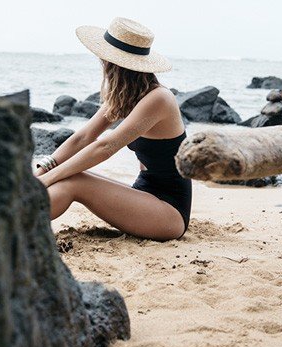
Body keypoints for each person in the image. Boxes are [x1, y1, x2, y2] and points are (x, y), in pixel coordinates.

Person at [34, 17, 192, 241]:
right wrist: (41, 172)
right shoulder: (126, 95)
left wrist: (48, 180)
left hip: (169, 212)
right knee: (66, 176)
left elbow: (106, 146)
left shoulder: (159, 98)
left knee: (73, 181)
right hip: (143, 195)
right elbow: (83, 137)